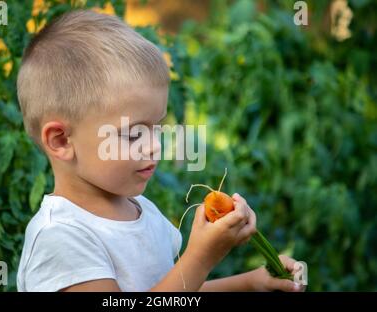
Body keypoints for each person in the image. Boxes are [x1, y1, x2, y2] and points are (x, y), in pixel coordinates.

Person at [16, 10, 304, 292]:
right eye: (133, 134)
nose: (155, 145)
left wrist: (250, 284)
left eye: (157, 127)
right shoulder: (62, 238)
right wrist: (200, 258)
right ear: (62, 140)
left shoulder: (141, 209)